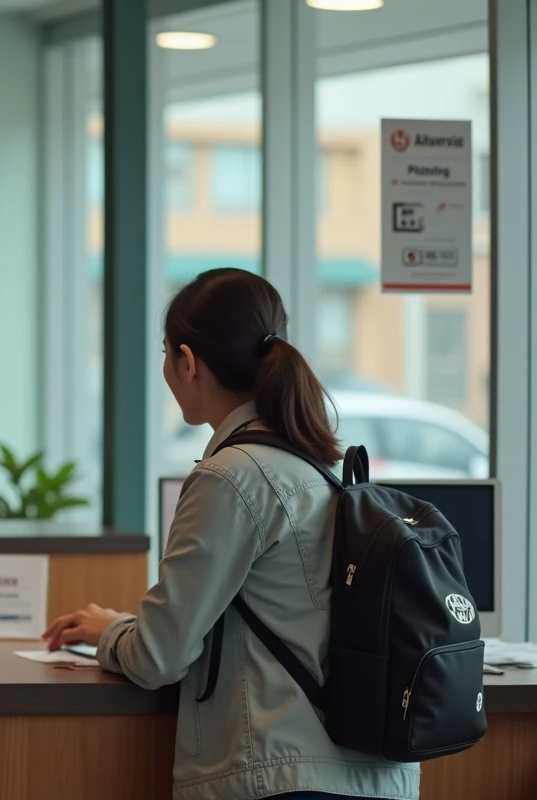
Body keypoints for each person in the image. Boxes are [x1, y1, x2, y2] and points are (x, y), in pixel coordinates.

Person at [43, 268, 419, 800]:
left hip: (282, 778)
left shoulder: (232, 477)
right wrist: (125, 624)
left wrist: (111, 635)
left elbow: (158, 658)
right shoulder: (317, 470)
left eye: (167, 354)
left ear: (187, 361)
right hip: (374, 779)